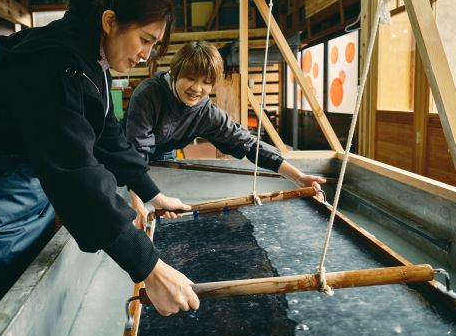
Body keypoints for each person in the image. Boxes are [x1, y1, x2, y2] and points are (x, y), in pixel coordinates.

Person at [0, 0, 200, 336]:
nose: (147, 54)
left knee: (23, 303)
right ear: (110, 21)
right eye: (145, 39)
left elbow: (105, 132)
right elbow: (74, 173)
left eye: (154, 45)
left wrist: (151, 192)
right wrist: (149, 267)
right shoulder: (54, 61)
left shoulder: (90, 57)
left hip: (23, 192)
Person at [124, 40, 326, 229]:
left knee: (165, 206)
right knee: (131, 205)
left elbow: (248, 144)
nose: (196, 88)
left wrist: (298, 177)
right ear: (175, 72)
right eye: (190, 78)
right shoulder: (148, 95)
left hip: (164, 154)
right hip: (123, 152)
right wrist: (137, 200)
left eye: (206, 82)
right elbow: (135, 152)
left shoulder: (206, 112)